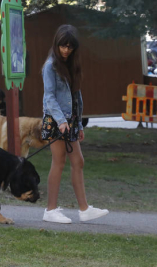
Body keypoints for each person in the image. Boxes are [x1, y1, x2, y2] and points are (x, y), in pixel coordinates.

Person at [41, 24, 109, 224]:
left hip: (70, 121)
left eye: (70, 47)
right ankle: (50, 210)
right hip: (55, 120)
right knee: (59, 162)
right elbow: (49, 97)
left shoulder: (72, 64)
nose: (66, 50)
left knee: (78, 161)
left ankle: (84, 209)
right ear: (57, 44)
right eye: (63, 46)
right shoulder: (50, 66)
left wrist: (78, 124)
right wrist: (61, 121)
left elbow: (75, 95)